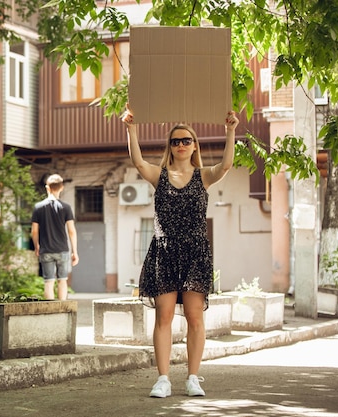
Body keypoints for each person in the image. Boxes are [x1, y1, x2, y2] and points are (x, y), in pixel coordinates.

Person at [121, 107, 239, 398]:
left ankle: (193, 378)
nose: (181, 145)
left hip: (195, 253)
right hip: (164, 252)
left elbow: (225, 166)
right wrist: (131, 129)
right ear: (170, 147)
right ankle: (162, 379)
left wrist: (230, 130)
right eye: (176, 141)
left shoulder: (204, 176)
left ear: (195, 145)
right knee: (163, 316)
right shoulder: (158, 175)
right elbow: (137, 161)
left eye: (187, 140)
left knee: (195, 316)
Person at [31, 174, 79, 300]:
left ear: (47, 188)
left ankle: (50, 311)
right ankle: (62, 310)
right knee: (62, 281)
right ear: (61, 187)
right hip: (62, 250)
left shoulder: (38, 207)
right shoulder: (66, 207)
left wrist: (37, 246)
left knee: (48, 282)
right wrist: (75, 251)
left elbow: (34, 231)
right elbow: (72, 231)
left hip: (45, 250)